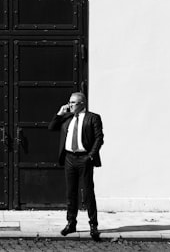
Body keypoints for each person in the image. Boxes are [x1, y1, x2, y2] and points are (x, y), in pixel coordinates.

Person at [48, 91, 104, 241]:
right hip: (69, 158)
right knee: (71, 193)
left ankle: (93, 225)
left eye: (73, 103)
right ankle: (71, 223)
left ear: (82, 104)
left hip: (84, 158)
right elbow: (51, 127)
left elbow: (99, 139)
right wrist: (60, 113)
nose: (70, 105)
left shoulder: (93, 118)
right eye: (70, 102)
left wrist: (90, 156)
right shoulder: (66, 117)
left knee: (87, 193)